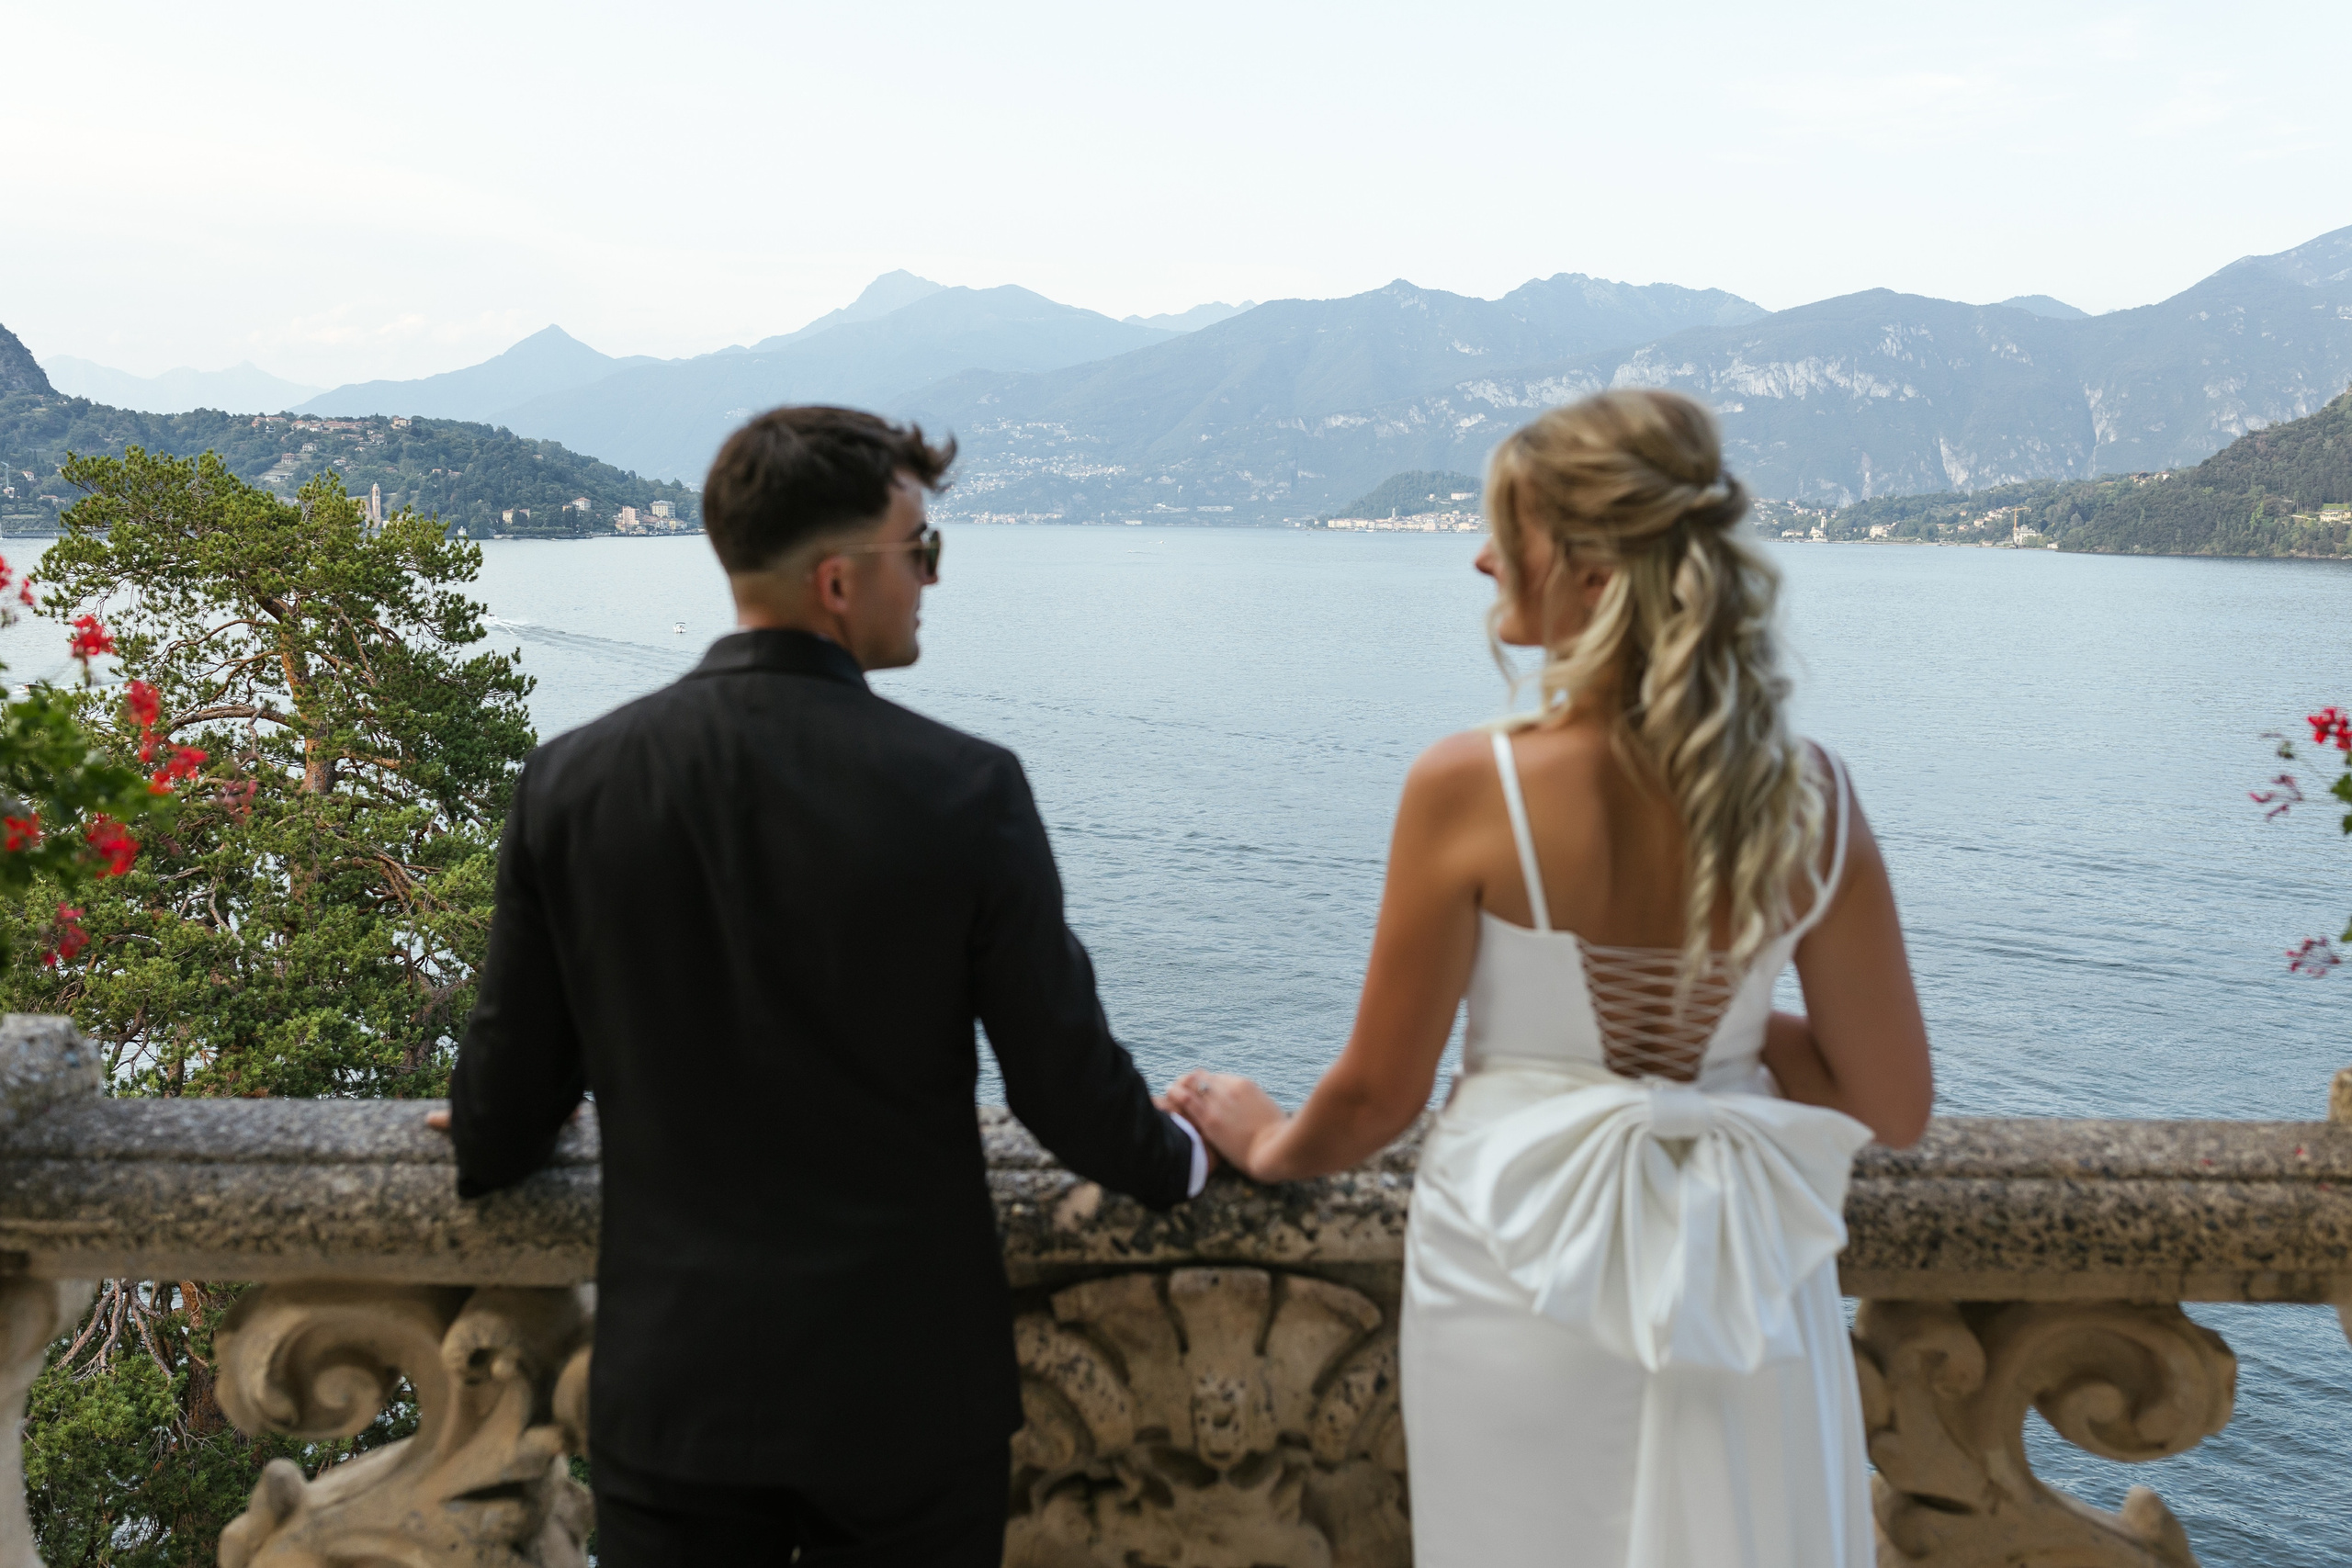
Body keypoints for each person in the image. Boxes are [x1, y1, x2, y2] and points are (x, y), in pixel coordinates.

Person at [1169, 389, 1932, 1567]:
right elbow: (1889, 1107)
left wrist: (1265, 1144)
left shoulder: (1470, 786)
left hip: (1514, 1269)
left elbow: (1378, 1096)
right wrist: (1734, 1032)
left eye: (1504, 532)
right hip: (1740, 1275)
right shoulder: (1813, 797)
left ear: (1588, 570)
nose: (1479, 556)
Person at [435, 406, 1209, 1567]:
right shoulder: (964, 792)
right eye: (923, 553)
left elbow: (502, 1118)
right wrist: (1196, 1154)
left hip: (675, 1396)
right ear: (841, 582)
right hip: (905, 1404)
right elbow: (1064, 1092)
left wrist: (493, 1130)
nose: (931, 583)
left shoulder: (573, 784)